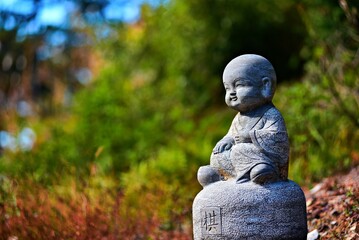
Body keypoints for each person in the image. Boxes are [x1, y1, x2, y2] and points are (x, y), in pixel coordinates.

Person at [211, 54, 289, 184]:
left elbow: (277, 139)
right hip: (240, 156)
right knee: (217, 155)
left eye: (239, 85)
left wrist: (250, 135)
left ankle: (263, 172)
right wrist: (227, 140)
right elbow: (231, 134)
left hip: (261, 157)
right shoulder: (238, 118)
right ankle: (223, 175)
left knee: (240, 150)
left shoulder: (271, 114)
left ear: (265, 86)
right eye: (227, 88)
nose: (232, 93)